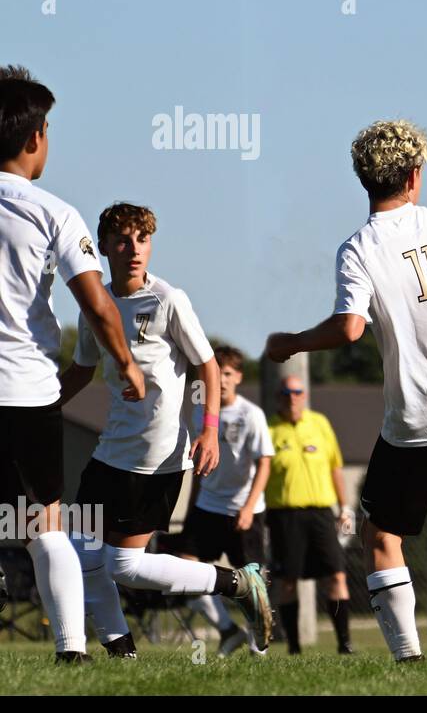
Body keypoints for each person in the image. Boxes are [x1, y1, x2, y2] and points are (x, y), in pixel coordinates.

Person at [266, 118, 427, 662]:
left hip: (419, 414)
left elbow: (350, 328)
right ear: (413, 175)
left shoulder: (358, 248)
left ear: (364, 178)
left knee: (382, 537)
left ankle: (409, 661)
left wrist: (292, 342)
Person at [59, 202, 273, 657]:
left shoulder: (167, 299)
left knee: (123, 564)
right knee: (83, 556)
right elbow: (81, 370)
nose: (134, 249)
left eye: (143, 238)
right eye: (122, 239)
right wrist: (40, 406)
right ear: (102, 247)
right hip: (109, 449)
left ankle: (235, 582)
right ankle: (122, 655)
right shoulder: (94, 304)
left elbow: (207, 365)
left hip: (155, 454)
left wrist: (209, 429)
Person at [0, 65, 144, 663]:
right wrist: (126, 363)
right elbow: (97, 302)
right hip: (27, 391)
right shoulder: (52, 212)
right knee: (43, 527)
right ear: (35, 138)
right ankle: (70, 652)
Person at [175, 345, 274, 656]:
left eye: (228, 373)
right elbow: (199, 465)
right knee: (185, 575)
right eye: (216, 373)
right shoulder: (199, 411)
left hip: (244, 510)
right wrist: (191, 505)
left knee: (253, 585)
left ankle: (260, 648)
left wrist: (248, 507)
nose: (222, 379)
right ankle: (228, 631)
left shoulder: (251, 414)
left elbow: (265, 463)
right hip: (207, 506)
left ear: (239, 377)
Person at [264, 376, 354, 655]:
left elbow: (335, 467)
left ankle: (344, 644)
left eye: (297, 392)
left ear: (304, 395)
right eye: (286, 392)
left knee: (337, 576)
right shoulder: (268, 428)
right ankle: (293, 647)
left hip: (321, 514)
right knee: (288, 581)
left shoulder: (320, 423)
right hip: (284, 515)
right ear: (278, 397)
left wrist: (345, 507)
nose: (292, 397)